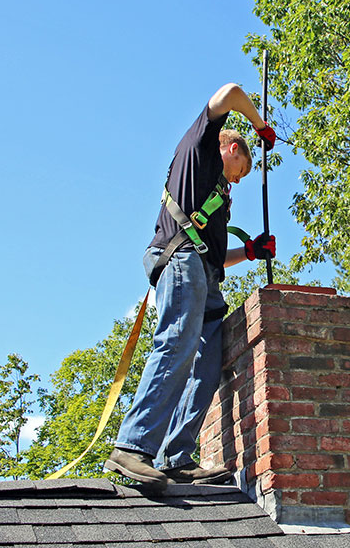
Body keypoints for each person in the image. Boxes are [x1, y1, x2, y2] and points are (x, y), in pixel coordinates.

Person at [105, 83, 276, 488]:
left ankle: (175, 456)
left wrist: (249, 253)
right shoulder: (198, 149)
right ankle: (132, 446)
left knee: (208, 362)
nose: (239, 179)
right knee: (177, 341)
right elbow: (231, 91)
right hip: (180, 260)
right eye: (243, 170)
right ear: (233, 150)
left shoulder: (215, 191)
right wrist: (260, 125)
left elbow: (214, 256)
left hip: (203, 271)